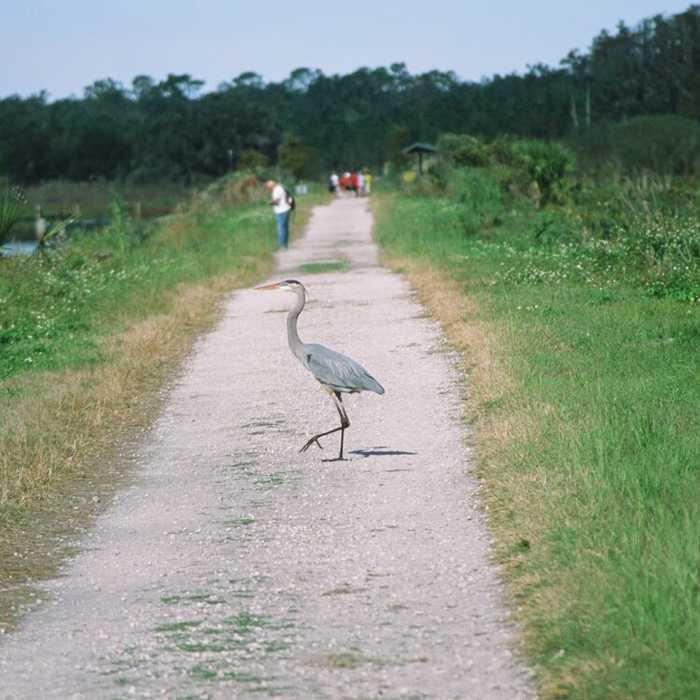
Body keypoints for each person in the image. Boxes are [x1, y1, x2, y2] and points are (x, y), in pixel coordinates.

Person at [265, 179, 292, 249]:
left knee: (281, 228)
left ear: (271, 186)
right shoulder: (281, 188)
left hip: (281, 211)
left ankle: (281, 245)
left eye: (268, 187)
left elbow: (276, 202)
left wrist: (270, 203)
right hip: (287, 209)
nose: (268, 189)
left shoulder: (276, 190)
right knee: (285, 228)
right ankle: (285, 244)